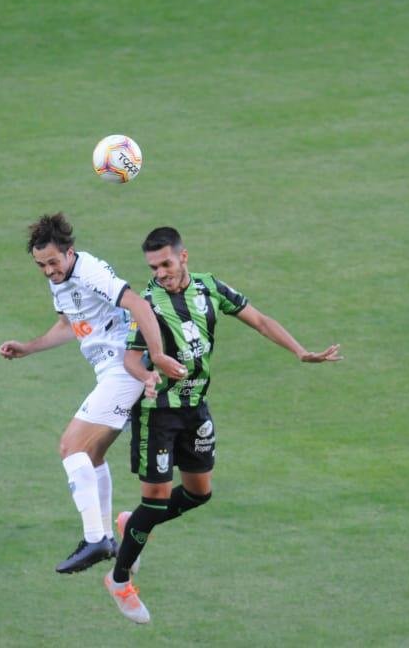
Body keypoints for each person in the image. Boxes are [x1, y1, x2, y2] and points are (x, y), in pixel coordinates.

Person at [103, 226, 342, 623]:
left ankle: (135, 523)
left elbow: (261, 321)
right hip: (157, 412)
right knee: (157, 497)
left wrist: (300, 352)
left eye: (165, 263)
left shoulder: (209, 287)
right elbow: (131, 356)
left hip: (195, 407)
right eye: (153, 266)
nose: (160, 272)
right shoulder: (147, 303)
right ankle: (120, 578)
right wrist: (146, 376)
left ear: (183, 256)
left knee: (199, 493)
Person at [0, 213, 186, 574]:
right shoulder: (60, 281)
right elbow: (71, 325)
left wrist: (157, 355)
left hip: (123, 369)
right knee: (93, 454)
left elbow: (139, 304)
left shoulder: (89, 272)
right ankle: (105, 539)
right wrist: (28, 347)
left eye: (54, 262)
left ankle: (96, 538)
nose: (49, 270)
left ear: (70, 253)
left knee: (70, 447)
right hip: (108, 373)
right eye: (41, 265)